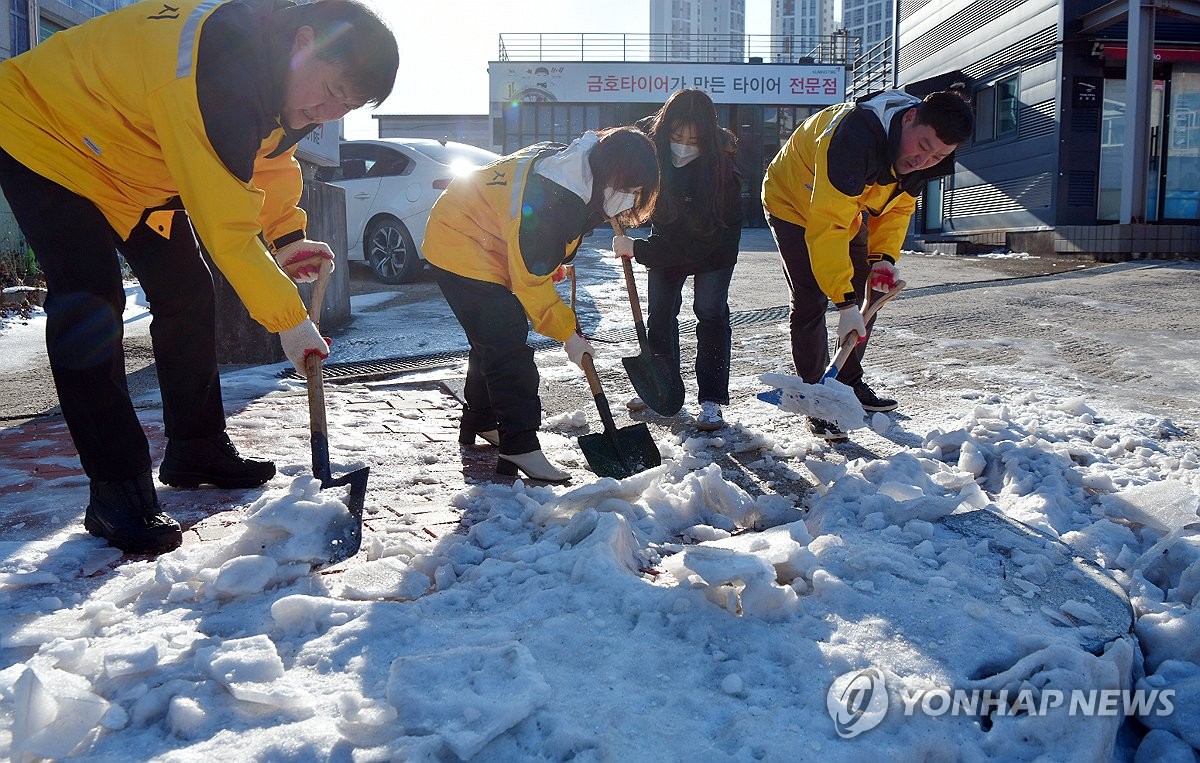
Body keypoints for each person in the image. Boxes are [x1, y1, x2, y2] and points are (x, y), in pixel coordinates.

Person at [0, 0, 399, 554]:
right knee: (92, 302)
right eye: (332, 90)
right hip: (46, 133)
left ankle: (196, 448)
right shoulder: (220, 73)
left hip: (130, 165)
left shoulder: (277, 81)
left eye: (347, 105)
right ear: (305, 42)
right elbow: (226, 229)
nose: (329, 112)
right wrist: (290, 321)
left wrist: (287, 235)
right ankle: (117, 492)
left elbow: (266, 160)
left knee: (186, 290)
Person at [424, 128, 659, 483]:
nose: (630, 199)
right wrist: (568, 334)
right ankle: (520, 446)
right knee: (507, 339)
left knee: (490, 337)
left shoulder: (576, 169)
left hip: (476, 231)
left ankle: (482, 419)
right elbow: (531, 281)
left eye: (637, 192)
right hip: (462, 241)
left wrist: (548, 263)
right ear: (608, 172)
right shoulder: (559, 196)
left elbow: (532, 241)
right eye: (627, 188)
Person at [762, 87, 974, 441]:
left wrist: (883, 259)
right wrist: (843, 302)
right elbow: (827, 224)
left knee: (869, 293)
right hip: (793, 201)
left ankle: (846, 380)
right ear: (909, 118)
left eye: (938, 156)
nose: (925, 161)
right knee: (812, 296)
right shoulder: (853, 137)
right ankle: (817, 397)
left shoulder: (923, 157)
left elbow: (900, 207)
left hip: (852, 206)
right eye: (923, 147)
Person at [613, 89, 744, 431]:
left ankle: (711, 400)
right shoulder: (650, 147)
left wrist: (637, 250)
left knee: (710, 313)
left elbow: (696, 244)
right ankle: (661, 386)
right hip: (668, 241)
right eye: (675, 136)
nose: (683, 145)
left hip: (714, 249)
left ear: (708, 138)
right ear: (665, 129)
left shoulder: (721, 170)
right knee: (660, 314)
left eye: (694, 139)